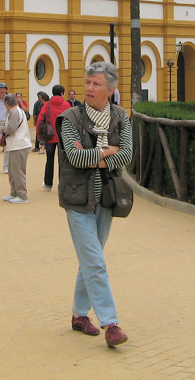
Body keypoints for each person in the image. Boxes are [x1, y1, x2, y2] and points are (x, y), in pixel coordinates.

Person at [57, 61, 133, 348]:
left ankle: (79, 315)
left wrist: (94, 154)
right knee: (95, 260)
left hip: (106, 198)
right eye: (88, 82)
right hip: (77, 198)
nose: (89, 88)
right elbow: (74, 158)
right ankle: (110, 323)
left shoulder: (120, 116)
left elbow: (126, 154)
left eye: (96, 84)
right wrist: (107, 151)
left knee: (91, 258)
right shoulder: (70, 118)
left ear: (110, 89)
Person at [1, 93, 33, 203]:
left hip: (19, 145)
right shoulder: (16, 111)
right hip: (15, 145)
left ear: (7, 103)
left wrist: (2, 129)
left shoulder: (15, 112)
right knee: (12, 171)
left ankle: (22, 195)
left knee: (18, 171)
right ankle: (14, 192)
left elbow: (11, 129)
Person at [40, 84, 69, 191]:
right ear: (62, 93)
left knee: (49, 160)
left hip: (50, 136)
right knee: (63, 162)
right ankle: (62, 185)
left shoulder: (47, 105)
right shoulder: (66, 105)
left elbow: (40, 120)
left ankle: (48, 184)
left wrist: (39, 136)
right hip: (63, 137)